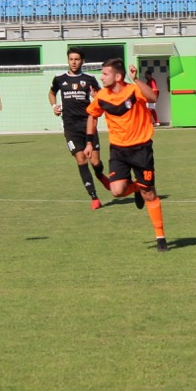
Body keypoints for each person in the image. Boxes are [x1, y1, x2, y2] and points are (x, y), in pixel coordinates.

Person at [85, 60, 167, 251]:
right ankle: (136, 188)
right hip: (118, 150)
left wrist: (136, 79)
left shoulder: (133, 90)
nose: (101, 77)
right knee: (117, 191)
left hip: (141, 149)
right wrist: (89, 142)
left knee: (149, 193)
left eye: (105, 74)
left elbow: (152, 97)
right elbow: (92, 116)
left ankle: (160, 237)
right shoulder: (102, 96)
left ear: (118, 76)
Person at [49, 48, 107, 208]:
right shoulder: (59, 79)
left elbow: (102, 96)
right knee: (81, 158)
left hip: (88, 124)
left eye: (77, 59)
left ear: (82, 61)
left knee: (95, 161)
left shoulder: (89, 79)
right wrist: (54, 106)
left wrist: (97, 97)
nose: (74, 62)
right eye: (71, 59)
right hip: (70, 126)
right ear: (68, 60)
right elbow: (52, 93)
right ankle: (94, 197)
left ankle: (100, 174)